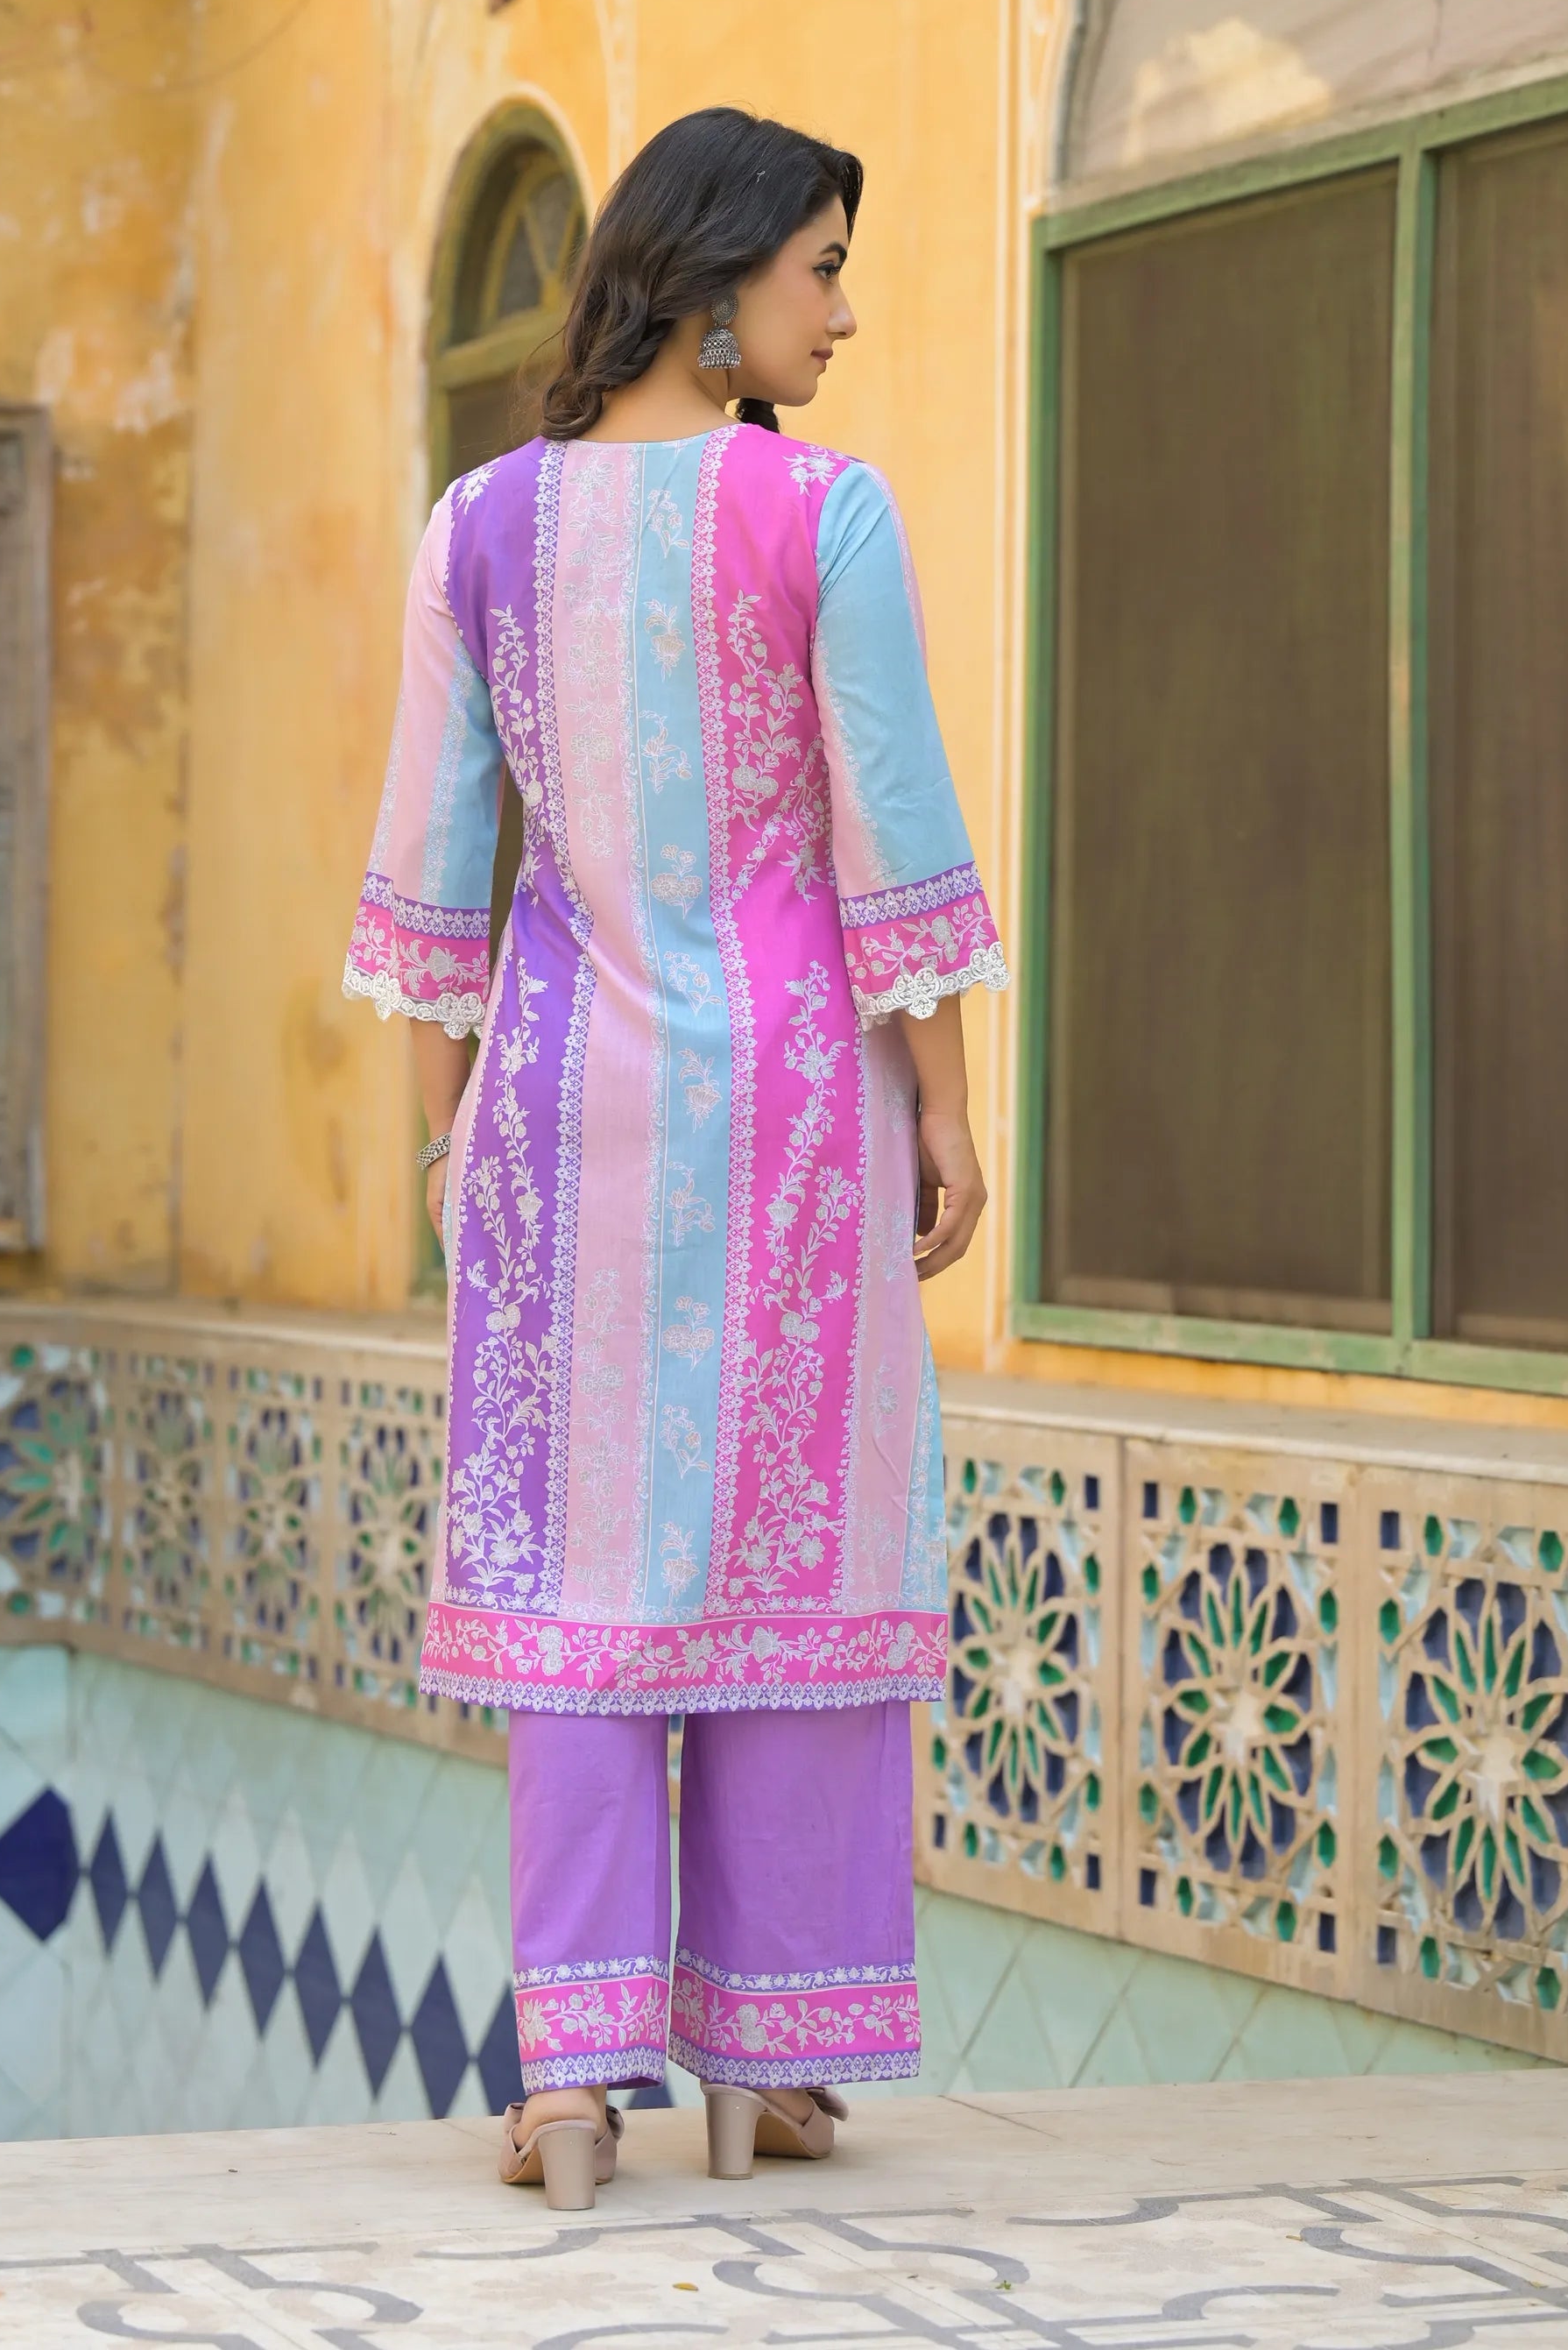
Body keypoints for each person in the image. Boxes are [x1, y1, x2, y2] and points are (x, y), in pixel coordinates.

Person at [343, 107, 1006, 2209]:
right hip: (798, 1106)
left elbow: (439, 880)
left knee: (577, 1572)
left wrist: (437, 1147)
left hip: (552, 1116)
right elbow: (889, 832)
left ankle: (567, 2075)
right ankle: (768, 2067)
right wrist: (958, 1106)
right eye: (820, 266)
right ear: (716, 284)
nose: (841, 308)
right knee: (791, 1556)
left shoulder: (474, 525)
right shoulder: (822, 513)